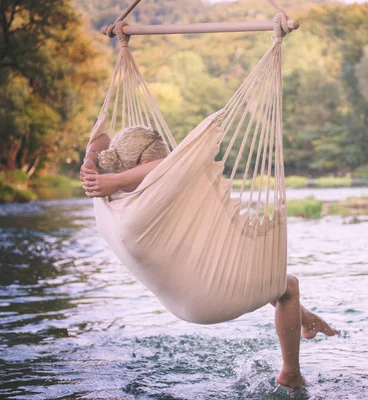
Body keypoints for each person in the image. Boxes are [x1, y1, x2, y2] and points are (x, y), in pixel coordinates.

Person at [80, 125, 340, 389]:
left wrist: (90, 160)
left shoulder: (106, 194)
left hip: (181, 295)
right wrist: (118, 178)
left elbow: (100, 140)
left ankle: (307, 321)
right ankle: (291, 372)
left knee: (262, 274)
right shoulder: (144, 206)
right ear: (147, 165)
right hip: (207, 300)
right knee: (288, 285)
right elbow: (170, 163)